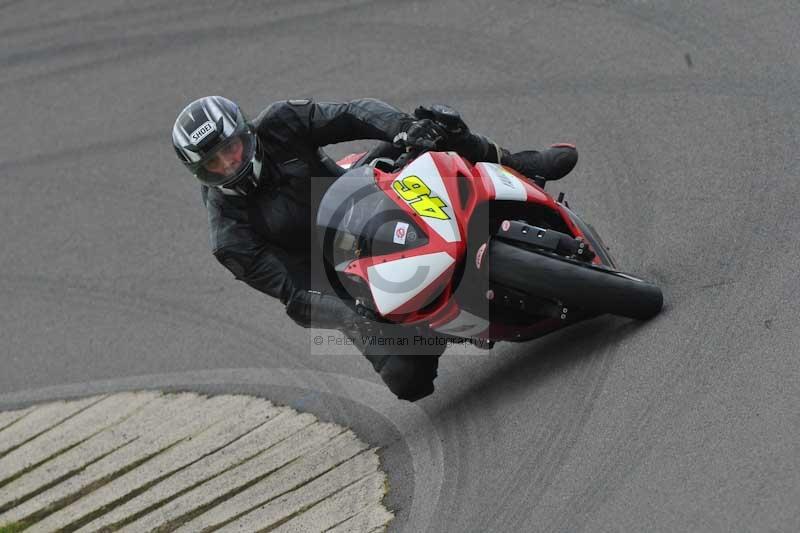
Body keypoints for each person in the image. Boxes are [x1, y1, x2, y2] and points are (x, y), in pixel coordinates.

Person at [172, 96, 577, 401]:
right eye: (214, 163)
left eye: (231, 149)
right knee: (409, 382)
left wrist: (402, 128)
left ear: (245, 132)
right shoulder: (229, 237)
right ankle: (439, 322)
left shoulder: (281, 122)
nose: (229, 164)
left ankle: (521, 164)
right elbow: (293, 295)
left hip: (362, 194)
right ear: (200, 174)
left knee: (436, 125)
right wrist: (351, 316)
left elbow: (353, 113)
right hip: (342, 278)